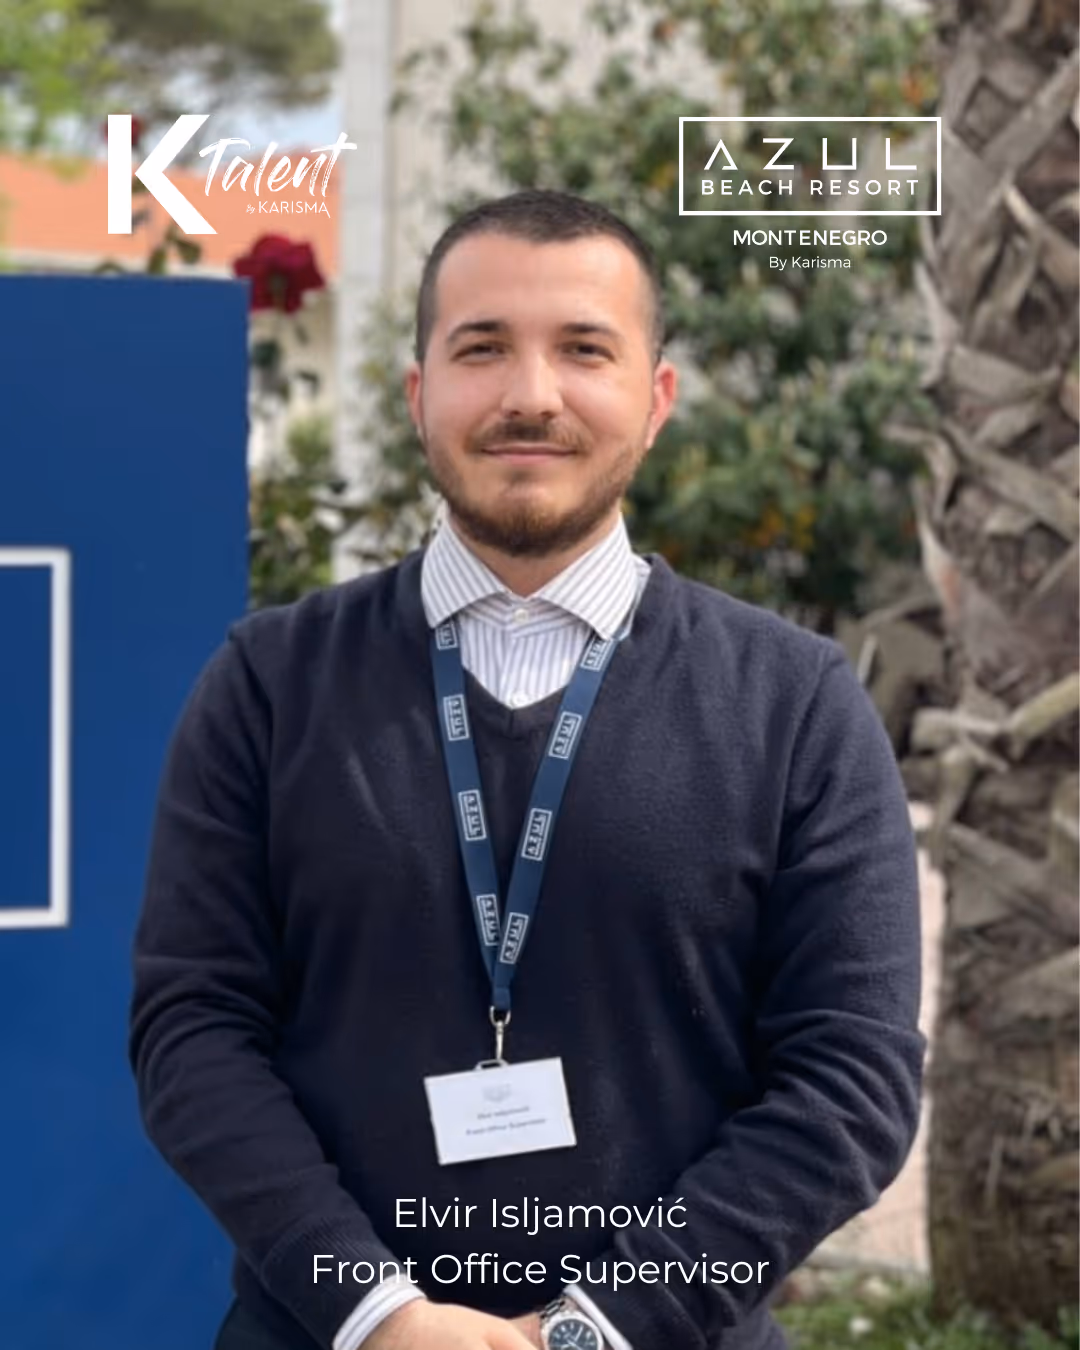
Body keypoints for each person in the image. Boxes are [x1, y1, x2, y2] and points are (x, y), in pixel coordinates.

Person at [129, 189, 926, 1350]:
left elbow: (853, 1077)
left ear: (656, 403)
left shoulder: (798, 703)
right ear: (418, 396)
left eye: (584, 350)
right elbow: (192, 1032)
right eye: (482, 348)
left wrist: (596, 1331)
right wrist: (380, 1314)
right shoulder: (267, 685)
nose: (531, 395)